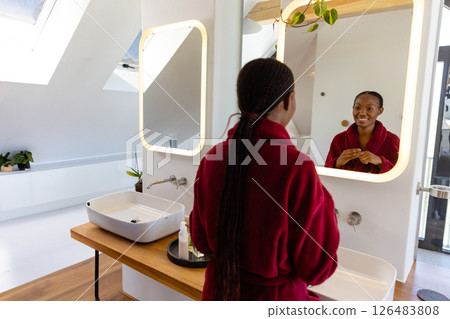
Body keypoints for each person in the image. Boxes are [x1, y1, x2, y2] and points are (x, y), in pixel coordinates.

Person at [189, 58, 339, 301]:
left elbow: (201, 242)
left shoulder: (212, 158)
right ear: (288, 101)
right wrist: (326, 205)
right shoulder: (296, 167)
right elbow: (318, 267)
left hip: (220, 292)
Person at [325, 91, 400, 173]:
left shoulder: (392, 140)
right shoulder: (339, 139)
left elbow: (400, 175)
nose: (362, 113)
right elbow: (326, 172)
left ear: (380, 111)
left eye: (370, 108)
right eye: (357, 108)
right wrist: (338, 162)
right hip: (344, 185)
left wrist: (380, 162)